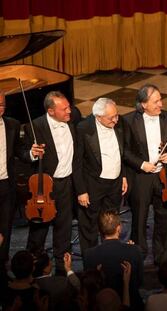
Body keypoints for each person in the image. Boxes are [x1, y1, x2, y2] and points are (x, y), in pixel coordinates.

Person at [123, 84, 167, 266]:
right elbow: (123, 150)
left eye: (161, 99)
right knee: (139, 219)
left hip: (164, 176)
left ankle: (162, 258)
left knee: (164, 217)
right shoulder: (129, 121)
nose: (161, 104)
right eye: (156, 101)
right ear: (143, 104)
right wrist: (141, 164)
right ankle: (138, 258)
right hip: (141, 178)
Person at [26, 91, 76, 276]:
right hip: (45, 187)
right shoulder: (35, 126)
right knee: (39, 232)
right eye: (64, 109)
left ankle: (63, 272)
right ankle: (34, 272)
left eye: (69, 106)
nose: (70, 111)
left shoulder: (74, 118)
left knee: (64, 231)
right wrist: (32, 153)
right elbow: (24, 155)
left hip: (66, 185)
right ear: (51, 111)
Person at [73, 98, 128, 256]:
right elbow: (77, 162)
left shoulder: (119, 123)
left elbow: (121, 152)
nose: (115, 120)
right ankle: (91, 264)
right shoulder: (83, 128)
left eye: (116, 115)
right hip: (93, 185)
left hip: (114, 185)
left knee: (110, 224)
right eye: (111, 117)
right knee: (89, 227)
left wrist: (123, 176)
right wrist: (81, 190)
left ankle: (109, 257)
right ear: (98, 117)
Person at [83, 209, 144, 309]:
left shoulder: (89, 255)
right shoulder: (135, 251)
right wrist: (131, 250)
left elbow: (90, 286)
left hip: (101, 306)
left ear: (100, 230)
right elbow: (139, 281)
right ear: (119, 228)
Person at [0, 90, 26, 277]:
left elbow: (19, 151)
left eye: (2, 105)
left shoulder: (12, 125)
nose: (0, 109)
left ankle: (2, 264)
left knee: (5, 229)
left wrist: (32, 153)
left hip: (6, 186)